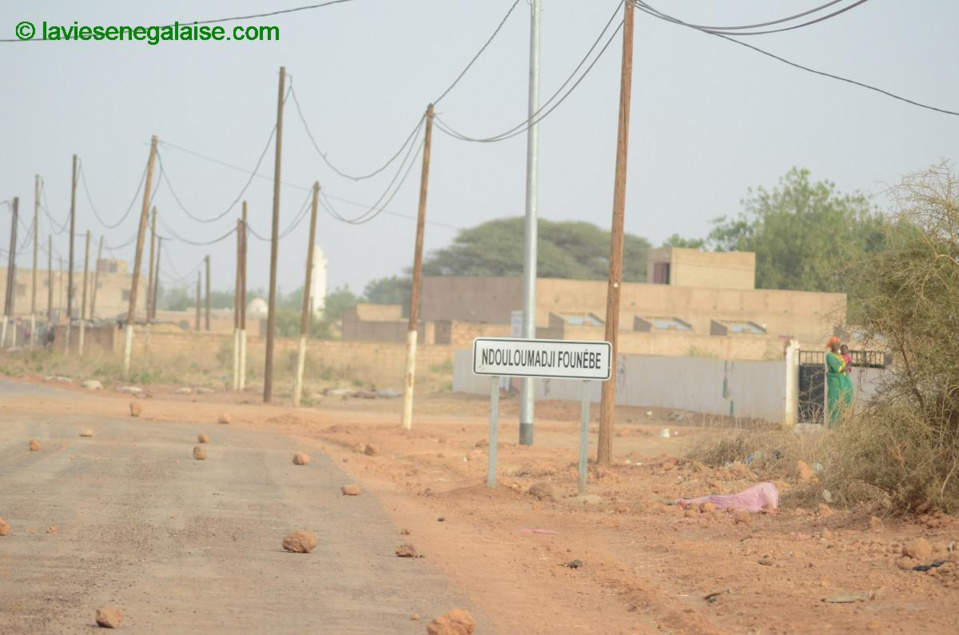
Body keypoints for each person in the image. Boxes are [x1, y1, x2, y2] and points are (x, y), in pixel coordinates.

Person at [825, 337, 849, 427]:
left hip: (843, 381)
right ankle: (833, 424)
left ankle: (842, 424)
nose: (838, 346)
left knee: (844, 401)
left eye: (839, 344)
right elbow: (837, 368)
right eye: (836, 344)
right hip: (834, 381)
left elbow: (845, 365)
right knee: (834, 401)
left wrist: (845, 368)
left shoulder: (839, 355)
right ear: (832, 346)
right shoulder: (829, 356)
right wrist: (845, 368)